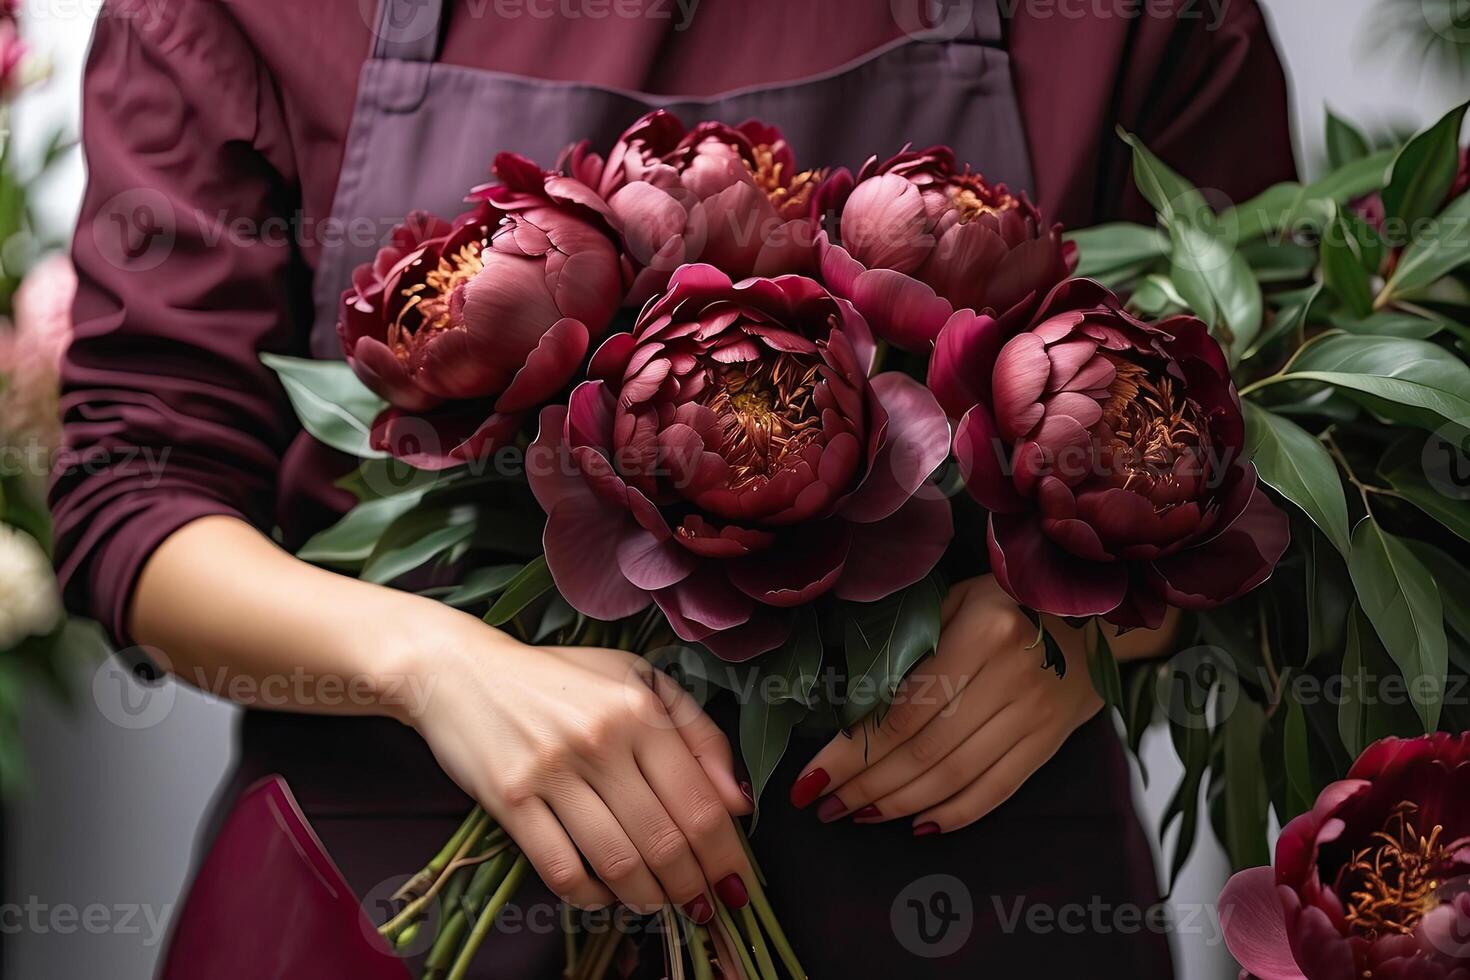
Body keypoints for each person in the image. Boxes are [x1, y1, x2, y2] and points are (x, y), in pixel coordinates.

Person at [52, 0, 1295, 975]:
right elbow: (133, 496)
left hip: (966, 910)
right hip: (411, 910)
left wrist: (1097, 625)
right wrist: (432, 664)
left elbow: (1280, 426)